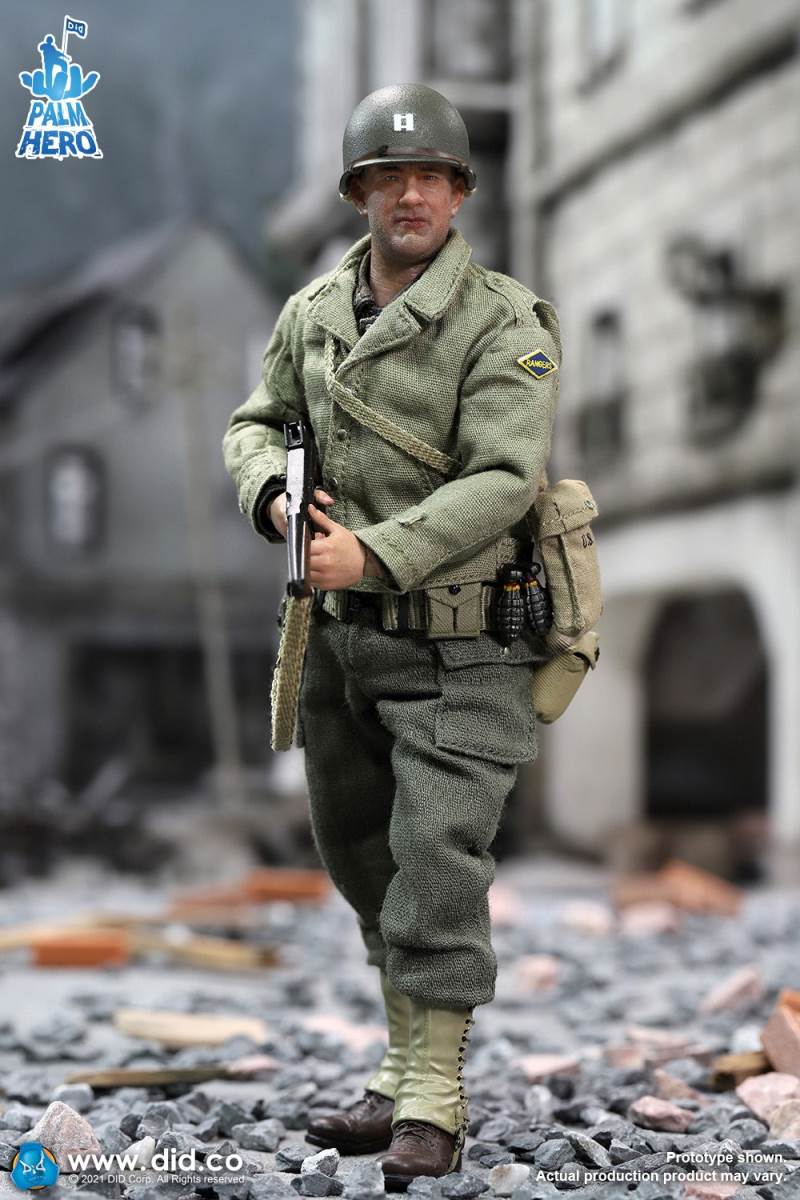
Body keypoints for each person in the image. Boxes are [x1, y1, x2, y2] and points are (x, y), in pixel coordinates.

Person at [222, 83, 562, 1189]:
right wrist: (274, 495)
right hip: (342, 645)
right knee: (363, 856)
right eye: (385, 177)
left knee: (437, 864)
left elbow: (502, 478)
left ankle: (433, 1098)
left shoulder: (501, 322)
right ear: (357, 193)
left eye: (429, 177)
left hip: (462, 647)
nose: (408, 195)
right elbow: (257, 422)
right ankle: (397, 1065)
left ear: (459, 193)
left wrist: (371, 553)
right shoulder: (314, 312)